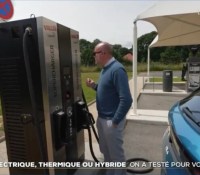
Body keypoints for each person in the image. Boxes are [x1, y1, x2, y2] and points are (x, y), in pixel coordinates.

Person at [86, 42, 133, 175]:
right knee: (106, 152)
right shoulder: (105, 69)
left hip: (111, 120)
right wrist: (94, 86)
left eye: (94, 54)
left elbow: (127, 100)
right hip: (103, 119)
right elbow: (107, 90)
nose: (93, 56)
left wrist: (115, 121)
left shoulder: (117, 69)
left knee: (116, 156)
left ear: (103, 53)